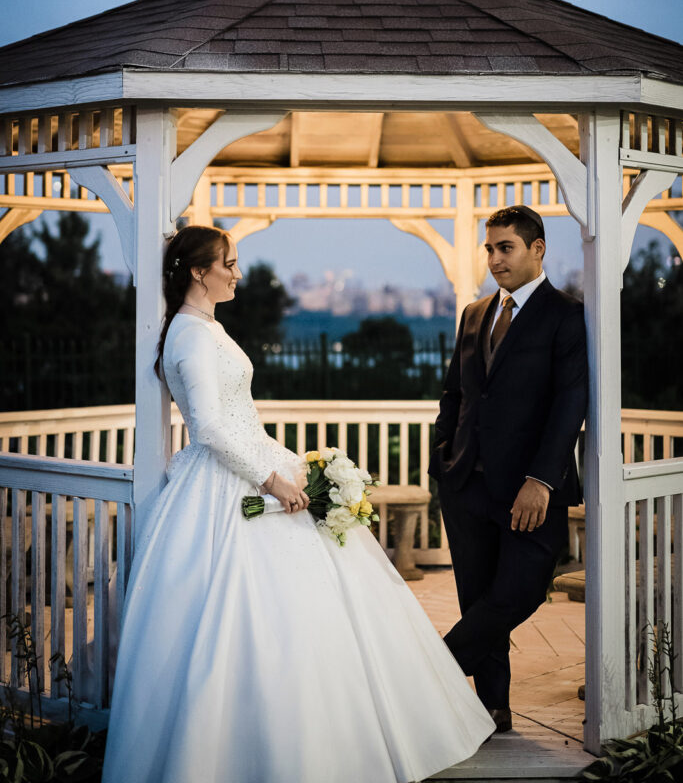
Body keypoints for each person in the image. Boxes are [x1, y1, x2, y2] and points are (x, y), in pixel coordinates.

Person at [102, 225, 494, 783]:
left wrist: (293, 463)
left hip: (252, 463)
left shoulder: (206, 326)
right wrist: (270, 478)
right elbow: (211, 425)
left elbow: (242, 418)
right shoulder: (189, 334)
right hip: (226, 487)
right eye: (229, 263)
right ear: (198, 271)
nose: (237, 273)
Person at [429, 205, 588, 734]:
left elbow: (571, 400)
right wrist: (442, 455)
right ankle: (493, 708)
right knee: (477, 594)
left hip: (530, 489)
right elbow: (455, 391)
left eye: (506, 248)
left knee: (519, 590)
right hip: (466, 483)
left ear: (537, 249)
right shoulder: (475, 313)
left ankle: (432, 672)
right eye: (490, 249)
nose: (495, 259)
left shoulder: (567, 314)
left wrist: (541, 480)